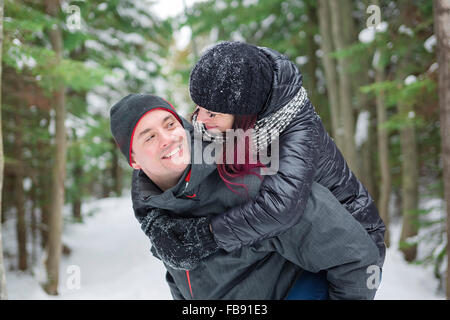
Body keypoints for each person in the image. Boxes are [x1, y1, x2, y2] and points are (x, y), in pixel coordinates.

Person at [110, 93, 380, 299]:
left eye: (170, 124)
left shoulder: (250, 180)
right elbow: (186, 279)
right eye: (149, 137)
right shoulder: (159, 212)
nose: (167, 138)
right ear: (134, 161)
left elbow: (356, 257)